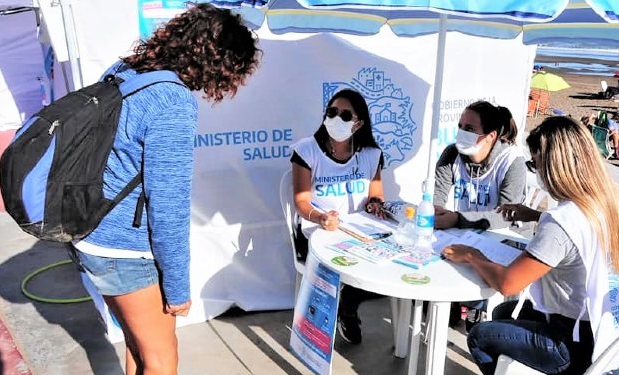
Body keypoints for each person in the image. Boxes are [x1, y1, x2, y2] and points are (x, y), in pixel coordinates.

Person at [69, 5, 260, 374]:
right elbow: (167, 207)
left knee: (138, 344)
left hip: (89, 230)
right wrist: (176, 289)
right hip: (123, 247)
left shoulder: (125, 71)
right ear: (220, 63)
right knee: (162, 356)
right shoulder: (172, 102)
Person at [441, 116, 619, 375]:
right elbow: (580, 232)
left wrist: (473, 256)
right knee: (503, 310)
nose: (537, 172)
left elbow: (509, 283)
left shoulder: (562, 222)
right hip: (603, 327)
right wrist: (534, 215)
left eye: (536, 164)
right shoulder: (612, 197)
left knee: (479, 336)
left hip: (571, 345)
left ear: (555, 165)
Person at [291, 89, 385, 345]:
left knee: (383, 261)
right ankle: (341, 309)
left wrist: (376, 205)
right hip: (317, 231)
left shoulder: (370, 154)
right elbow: (300, 202)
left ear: (359, 123)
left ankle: (348, 305)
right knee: (344, 263)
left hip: (357, 232)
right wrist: (319, 217)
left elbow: (376, 195)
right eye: (332, 112)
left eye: (345, 115)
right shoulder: (306, 150)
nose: (336, 118)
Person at [432, 101, 526, 329]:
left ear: (491, 136)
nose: (461, 132)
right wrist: (436, 213)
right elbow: (437, 197)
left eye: (470, 129)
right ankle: (461, 304)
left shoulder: (511, 161)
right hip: (466, 233)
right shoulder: (452, 153)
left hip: (503, 238)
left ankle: (478, 308)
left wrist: (457, 219)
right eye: (460, 126)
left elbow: (506, 215)